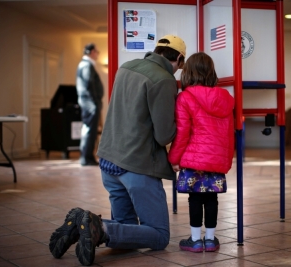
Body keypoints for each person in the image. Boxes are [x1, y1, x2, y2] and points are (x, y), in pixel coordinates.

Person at [49, 35, 186, 266]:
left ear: (157, 50)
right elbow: (163, 135)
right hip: (136, 166)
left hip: (108, 162)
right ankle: (97, 227)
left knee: (126, 232)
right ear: (179, 58)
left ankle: (81, 224)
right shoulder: (163, 80)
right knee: (159, 235)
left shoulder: (126, 67)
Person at [167, 52, 235, 252]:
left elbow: (182, 133)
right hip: (215, 161)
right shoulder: (225, 98)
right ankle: (211, 239)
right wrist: (227, 161)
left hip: (192, 160)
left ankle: (196, 240)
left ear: (187, 73)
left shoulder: (185, 98)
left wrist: (174, 159)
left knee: (194, 199)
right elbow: (229, 135)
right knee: (212, 198)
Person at [76, 43, 104, 166]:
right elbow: (88, 83)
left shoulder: (84, 64)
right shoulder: (87, 65)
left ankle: (87, 157)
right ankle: (87, 158)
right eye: (96, 52)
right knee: (89, 131)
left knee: (88, 130)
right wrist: (95, 102)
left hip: (88, 103)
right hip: (90, 104)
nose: (97, 54)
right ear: (92, 52)